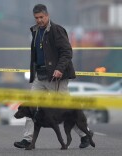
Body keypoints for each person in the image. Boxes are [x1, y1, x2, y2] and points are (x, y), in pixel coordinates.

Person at [14, 4, 93, 149]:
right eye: (36, 18)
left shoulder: (57, 30)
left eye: (41, 17)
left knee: (67, 109)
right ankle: (27, 139)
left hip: (56, 77)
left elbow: (67, 52)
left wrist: (59, 69)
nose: (39, 20)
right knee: (30, 107)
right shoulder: (35, 31)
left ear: (47, 15)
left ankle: (85, 135)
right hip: (40, 76)